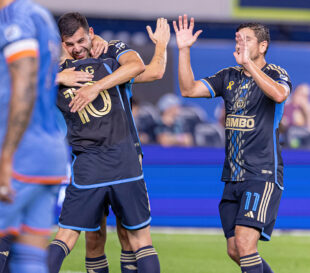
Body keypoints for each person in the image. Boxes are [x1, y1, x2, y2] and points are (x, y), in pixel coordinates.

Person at [48, 12, 169, 273]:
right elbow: (145, 68)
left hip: (104, 159)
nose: (77, 49)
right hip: (114, 158)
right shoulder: (107, 62)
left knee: (119, 237)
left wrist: (89, 85)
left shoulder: (104, 56)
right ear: (61, 43)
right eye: (70, 44)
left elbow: (149, 70)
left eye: (81, 41)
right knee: (104, 238)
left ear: (91, 33)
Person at [174, 15, 291, 273]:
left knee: (245, 245)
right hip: (232, 175)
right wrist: (183, 50)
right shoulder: (228, 76)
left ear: (262, 46)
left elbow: (280, 94)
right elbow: (189, 89)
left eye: (247, 40)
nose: (240, 44)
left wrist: (250, 64)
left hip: (262, 174)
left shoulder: (276, 73)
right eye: (238, 39)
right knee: (235, 250)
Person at [0, 0, 68, 272]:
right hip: (48, 151)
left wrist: (7, 156)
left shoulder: (15, 17)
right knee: (30, 259)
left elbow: (25, 84)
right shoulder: (43, 17)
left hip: (20, 153)